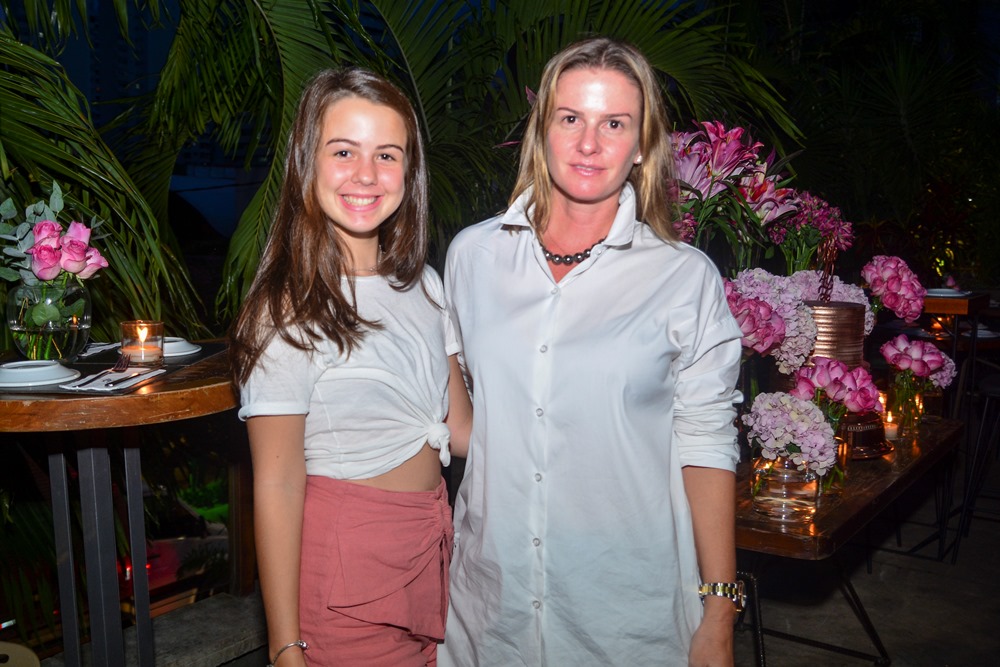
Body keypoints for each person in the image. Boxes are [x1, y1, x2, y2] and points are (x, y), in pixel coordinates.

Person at [441, 37, 744, 666]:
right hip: (490, 608)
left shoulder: (683, 278)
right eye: (570, 118)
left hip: (625, 612)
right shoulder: (473, 257)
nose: (588, 143)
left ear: (641, 146)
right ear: (541, 132)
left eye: (614, 124)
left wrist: (719, 611)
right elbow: (462, 414)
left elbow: (707, 444)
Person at [230, 67, 472, 667]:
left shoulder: (425, 285)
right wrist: (285, 646)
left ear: (409, 173)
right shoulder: (285, 309)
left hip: (433, 550)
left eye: (386, 155)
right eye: (344, 151)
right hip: (346, 576)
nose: (366, 174)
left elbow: (461, 430)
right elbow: (278, 483)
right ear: (307, 162)